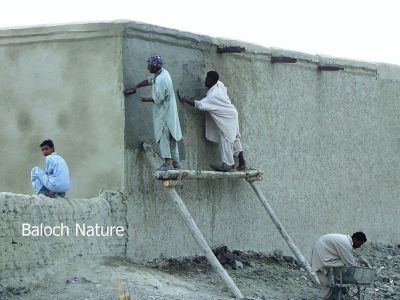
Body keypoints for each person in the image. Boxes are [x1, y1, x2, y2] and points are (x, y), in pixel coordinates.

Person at [178, 71, 246, 172]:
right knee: (235, 138)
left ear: (213, 81)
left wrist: (184, 99)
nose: (205, 80)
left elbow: (200, 105)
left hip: (227, 117)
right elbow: (225, 90)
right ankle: (242, 163)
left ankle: (228, 164)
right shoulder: (220, 84)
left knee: (226, 138)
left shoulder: (213, 95)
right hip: (232, 113)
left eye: (208, 79)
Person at [123, 55, 182, 171]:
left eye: (149, 65)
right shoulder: (164, 73)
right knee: (172, 138)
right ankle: (176, 163)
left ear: (154, 67)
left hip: (164, 115)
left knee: (163, 137)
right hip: (170, 113)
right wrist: (136, 86)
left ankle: (168, 163)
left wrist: (145, 100)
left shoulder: (160, 80)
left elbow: (159, 99)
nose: (147, 66)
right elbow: (150, 80)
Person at [311, 232, 367, 299]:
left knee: (330, 284)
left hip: (324, 255)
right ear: (355, 239)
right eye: (360, 243)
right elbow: (350, 263)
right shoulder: (346, 243)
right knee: (330, 284)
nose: (360, 246)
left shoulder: (345, 241)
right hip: (323, 257)